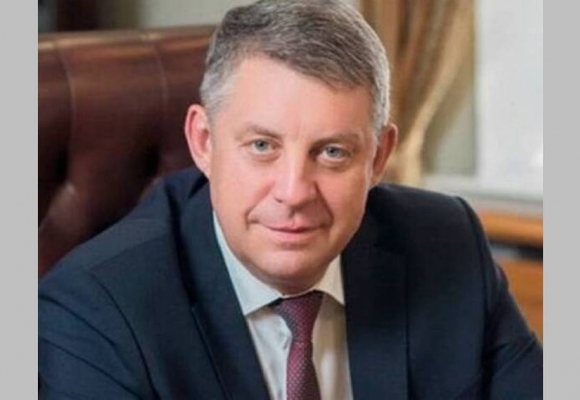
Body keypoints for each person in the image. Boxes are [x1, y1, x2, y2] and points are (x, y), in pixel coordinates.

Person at [38, 0, 542, 399]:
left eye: (332, 152)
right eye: (262, 146)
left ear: (378, 157)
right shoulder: (95, 313)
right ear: (204, 142)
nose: (294, 192)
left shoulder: (447, 244)